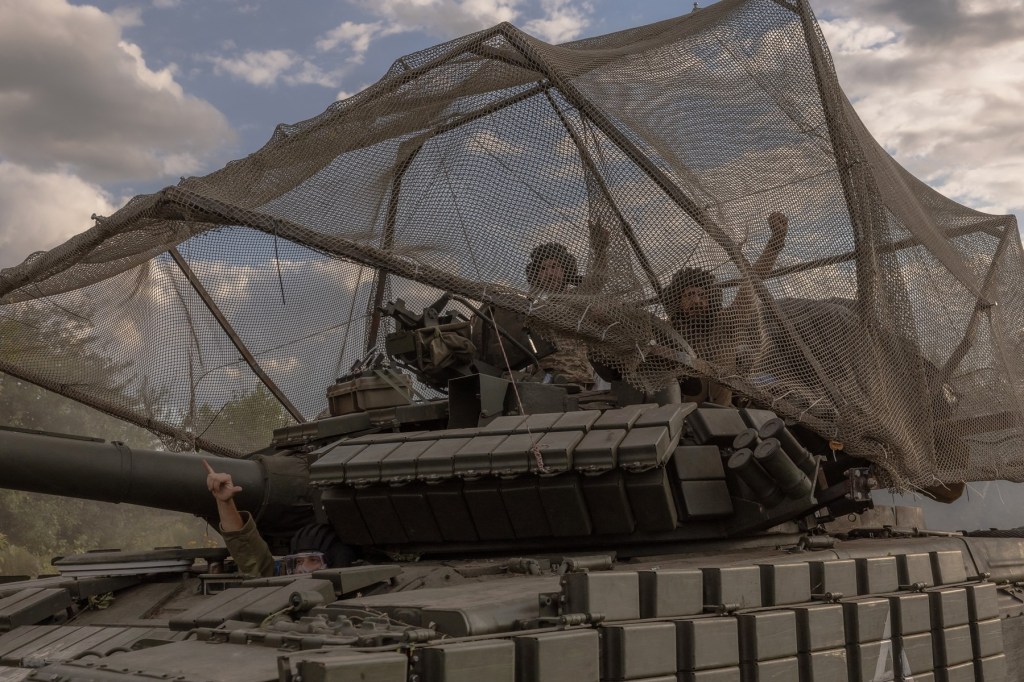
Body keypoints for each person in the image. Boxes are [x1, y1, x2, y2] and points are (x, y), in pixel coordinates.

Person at [664, 211, 789, 405]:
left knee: (723, 357)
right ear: (678, 301)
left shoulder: (725, 321)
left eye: (702, 295)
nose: (696, 301)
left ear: (712, 298)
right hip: (681, 408)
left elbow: (752, 284)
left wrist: (775, 243)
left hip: (721, 408)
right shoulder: (671, 331)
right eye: (689, 295)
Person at [204, 460, 336, 577]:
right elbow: (250, 556)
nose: (302, 569)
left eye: (314, 560)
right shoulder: (287, 588)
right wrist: (225, 502)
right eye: (298, 562)